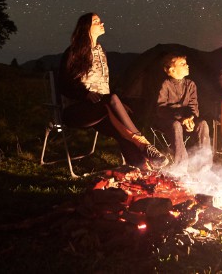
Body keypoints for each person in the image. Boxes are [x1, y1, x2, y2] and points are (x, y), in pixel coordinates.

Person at [58, 13, 168, 171]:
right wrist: (85, 94)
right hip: (77, 111)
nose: (101, 22)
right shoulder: (74, 52)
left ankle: (141, 169)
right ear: (86, 28)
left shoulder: (101, 51)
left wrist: (118, 105)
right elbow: (63, 84)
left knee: (123, 131)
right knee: (119, 117)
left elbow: (105, 89)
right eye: (96, 21)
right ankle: (145, 145)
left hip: (101, 109)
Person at [154, 54, 211, 175]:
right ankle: (181, 167)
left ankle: (204, 168)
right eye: (183, 64)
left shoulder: (190, 84)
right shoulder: (165, 85)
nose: (187, 65)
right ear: (172, 70)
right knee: (176, 125)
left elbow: (193, 106)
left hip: (186, 120)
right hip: (168, 121)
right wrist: (180, 118)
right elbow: (161, 109)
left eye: (186, 63)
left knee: (203, 124)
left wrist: (191, 118)